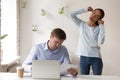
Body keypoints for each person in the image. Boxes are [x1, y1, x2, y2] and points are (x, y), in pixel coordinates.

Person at [70, 7, 105, 75]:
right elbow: (72, 15)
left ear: (99, 19)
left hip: (96, 57)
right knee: (84, 78)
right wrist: (85, 10)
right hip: (83, 57)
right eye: (94, 12)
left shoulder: (99, 28)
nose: (94, 15)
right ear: (91, 12)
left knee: (97, 79)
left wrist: (102, 26)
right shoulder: (81, 24)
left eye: (97, 16)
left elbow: (100, 42)